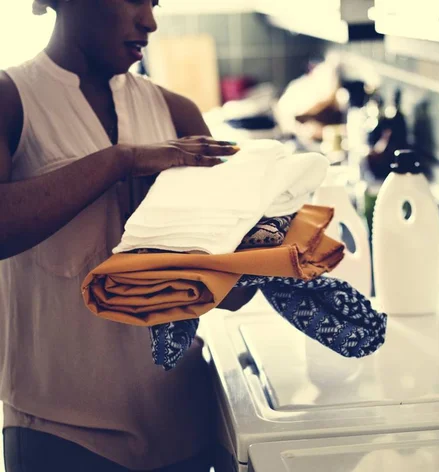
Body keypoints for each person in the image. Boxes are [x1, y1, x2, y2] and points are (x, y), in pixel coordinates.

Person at [0, 1, 257, 470]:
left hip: (184, 423)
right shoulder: (12, 98)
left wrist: (263, 257)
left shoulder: (177, 113)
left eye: (155, 3)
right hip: (59, 434)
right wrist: (121, 161)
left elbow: (227, 290)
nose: (150, 20)